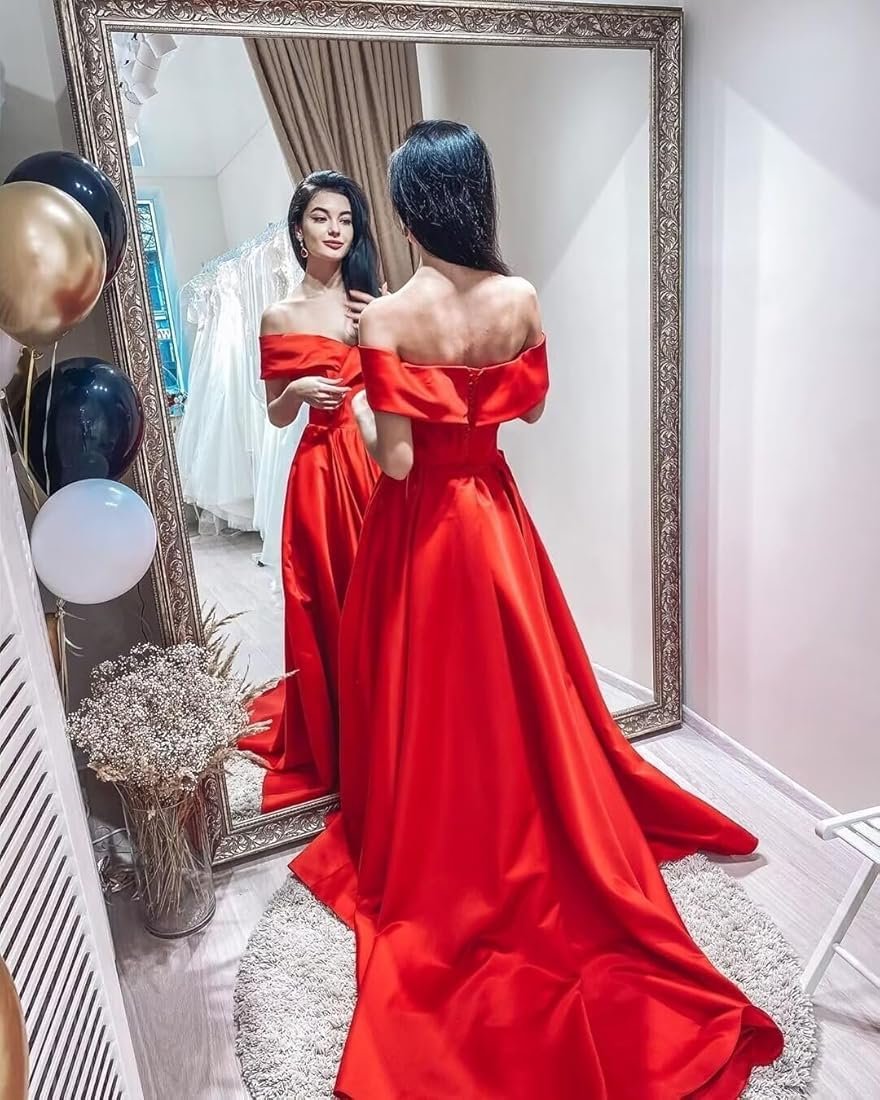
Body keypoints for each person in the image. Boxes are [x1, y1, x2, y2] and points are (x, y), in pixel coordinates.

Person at [291, 123, 784, 1097]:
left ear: (408, 207)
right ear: (475, 195)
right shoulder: (519, 296)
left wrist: (364, 403)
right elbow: (531, 409)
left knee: (433, 698)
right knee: (525, 683)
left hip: (423, 529)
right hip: (495, 513)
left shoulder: (387, 316)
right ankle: (532, 819)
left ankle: (453, 837)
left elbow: (397, 463)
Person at [239, 171, 382, 814]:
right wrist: (296, 391)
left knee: (384, 597)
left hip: (375, 461)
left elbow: (400, 384)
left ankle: (393, 723)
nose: (335, 229)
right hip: (321, 471)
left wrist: (376, 325)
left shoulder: (369, 300)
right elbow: (275, 415)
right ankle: (345, 733)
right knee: (331, 599)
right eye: (322, 217)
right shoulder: (279, 315)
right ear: (299, 230)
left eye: (346, 219)